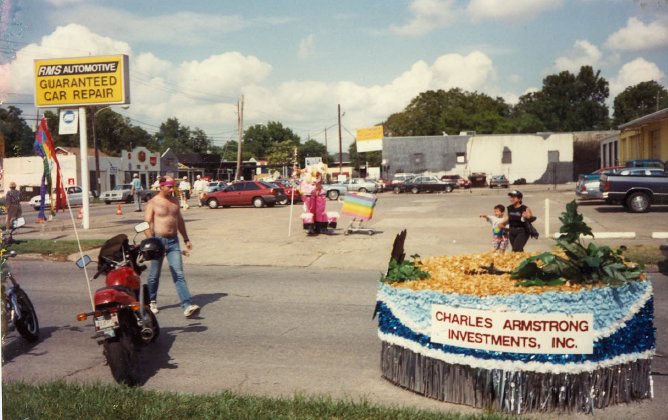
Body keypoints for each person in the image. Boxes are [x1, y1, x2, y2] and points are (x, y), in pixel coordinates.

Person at [143, 176, 200, 318]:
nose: (171, 189)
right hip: (158, 241)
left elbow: (179, 221)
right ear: (161, 186)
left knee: (179, 274)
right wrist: (151, 241)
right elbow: (146, 223)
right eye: (169, 186)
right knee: (154, 275)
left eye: (173, 186)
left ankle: (187, 305)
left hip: (174, 242)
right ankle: (151, 301)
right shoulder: (153, 202)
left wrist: (186, 238)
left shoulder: (175, 201)